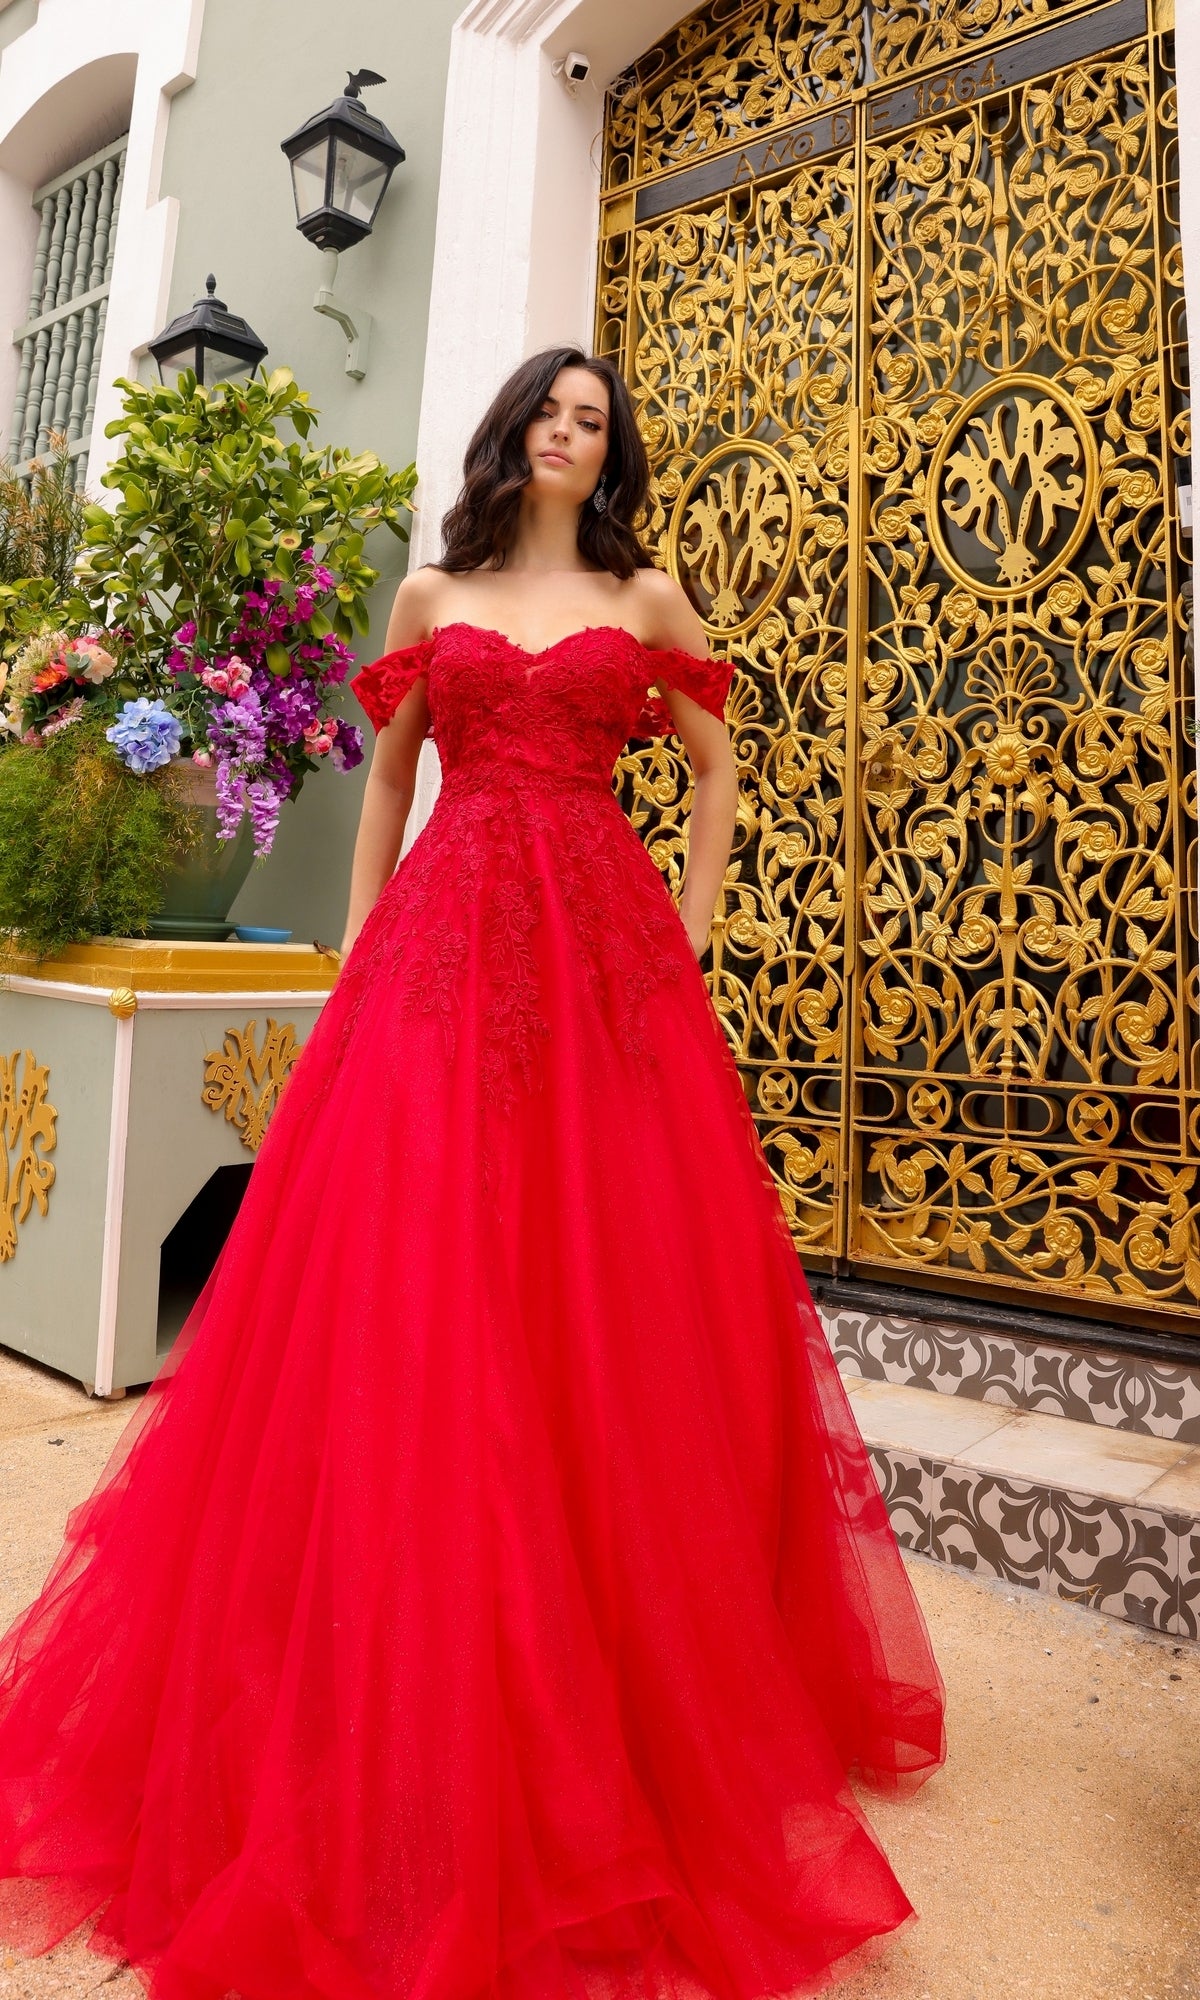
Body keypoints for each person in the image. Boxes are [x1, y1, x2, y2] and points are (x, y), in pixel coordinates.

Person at [0, 346, 944, 2000]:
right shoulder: (429, 593)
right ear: (510, 433)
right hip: (442, 949)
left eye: (598, 422)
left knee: (608, 1282)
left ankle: (625, 1662)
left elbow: (718, 778)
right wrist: (360, 952)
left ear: (609, 451)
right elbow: (388, 781)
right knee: (413, 1273)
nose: (573, 437)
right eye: (552, 414)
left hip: (600, 958)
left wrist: (696, 936)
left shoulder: (651, 602)